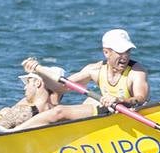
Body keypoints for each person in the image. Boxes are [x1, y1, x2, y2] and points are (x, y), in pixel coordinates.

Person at [11, 28, 149, 131]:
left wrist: (120, 100)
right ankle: (11, 133)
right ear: (106, 52)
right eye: (120, 52)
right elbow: (61, 88)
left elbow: (141, 98)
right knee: (59, 111)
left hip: (133, 113)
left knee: (65, 110)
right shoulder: (94, 70)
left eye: (128, 51)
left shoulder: (137, 71)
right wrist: (39, 72)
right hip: (109, 113)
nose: (125, 56)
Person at [0, 66, 65, 132]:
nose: (25, 87)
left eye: (28, 82)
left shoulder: (23, 112)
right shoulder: (63, 115)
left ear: (37, 83)